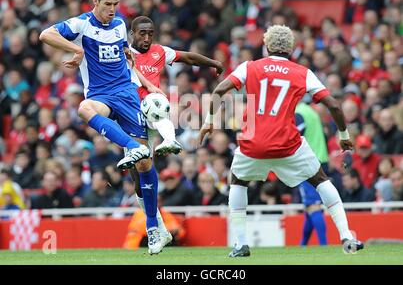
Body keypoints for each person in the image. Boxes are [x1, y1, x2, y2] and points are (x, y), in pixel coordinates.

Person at [199, 25, 364, 257]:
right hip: (287, 143)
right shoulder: (303, 72)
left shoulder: (250, 67)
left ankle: (240, 244)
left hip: (252, 142)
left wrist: (208, 121)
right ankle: (347, 235)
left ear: (266, 46)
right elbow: (334, 105)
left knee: (238, 182)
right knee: (321, 180)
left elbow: (219, 89)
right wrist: (344, 136)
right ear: (292, 49)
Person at [39, 0, 164, 254]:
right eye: (107, 4)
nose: (112, 9)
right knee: (85, 109)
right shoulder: (82, 24)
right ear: (94, 2)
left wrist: (148, 83)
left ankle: (154, 229)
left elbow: (128, 57)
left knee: (144, 166)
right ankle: (131, 147)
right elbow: (45, 34)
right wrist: (76, 49)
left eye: (115, 4)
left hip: (127, 93)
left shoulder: (120, 25)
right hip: (100, 94)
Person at [126, 15, 224, 247]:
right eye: (142, 33)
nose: (147, 38)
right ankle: (160, 228)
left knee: (157, 104)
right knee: (138, 178)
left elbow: (187, 57)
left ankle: (170, 139)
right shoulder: (122, 54)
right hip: (130, 114)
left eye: (151, 33)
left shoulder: (159, 52)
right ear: (132, 34)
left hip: (151, 106)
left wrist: (213, 63)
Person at [295, 101, 328, 246]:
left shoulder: (298, 113)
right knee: (310, 204)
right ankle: (303, 244)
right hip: (320, 159)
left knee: (313, 205)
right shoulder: (309, 111)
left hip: (308, 162)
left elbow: (294, 137)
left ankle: (324, 245)